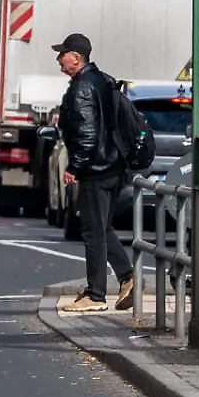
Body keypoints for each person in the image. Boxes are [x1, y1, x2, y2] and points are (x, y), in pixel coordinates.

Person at [53, 32, 134, 314]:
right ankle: (128, 277)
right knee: (103, 227)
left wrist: (75, 167)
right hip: (113, 166)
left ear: (76, 57)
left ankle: (96, 294)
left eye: (62, 54)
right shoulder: (102, 80)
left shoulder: (83, 87)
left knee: (92, 231)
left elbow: (87, 133)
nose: (58, 59)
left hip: (97, 169)